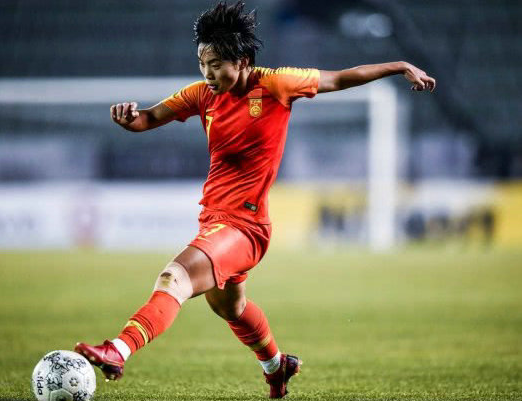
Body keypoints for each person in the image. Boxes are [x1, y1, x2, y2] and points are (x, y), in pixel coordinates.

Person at [75, 1, 435, 398]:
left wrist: (400, 65)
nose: (207, 74)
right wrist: (130, 119)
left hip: (244, 227)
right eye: (202, 64)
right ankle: (277, 367)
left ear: (243, 61)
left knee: (174, 278)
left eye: (216, 65)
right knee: (229, 308)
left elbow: (340, 78)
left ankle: (118, 349)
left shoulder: (278, 84)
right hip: (214, 219)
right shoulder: (202, 94)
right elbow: (149, 118)